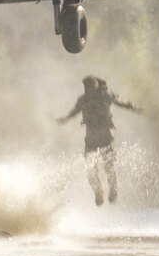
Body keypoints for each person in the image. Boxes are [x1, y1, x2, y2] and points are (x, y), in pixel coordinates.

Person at [58, 75, 141, 206]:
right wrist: (66, 118)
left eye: (91, 86)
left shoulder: (105, 95)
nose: (88, 89)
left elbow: (119, 101)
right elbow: (75, 110)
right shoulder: (83, 100)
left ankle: (113, 190)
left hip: (106, 137)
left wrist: (132, 107)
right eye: (86, 86)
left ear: (96, 86)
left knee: (109, 166)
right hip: (91, 138)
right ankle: (98, 191)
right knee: (90, 168)